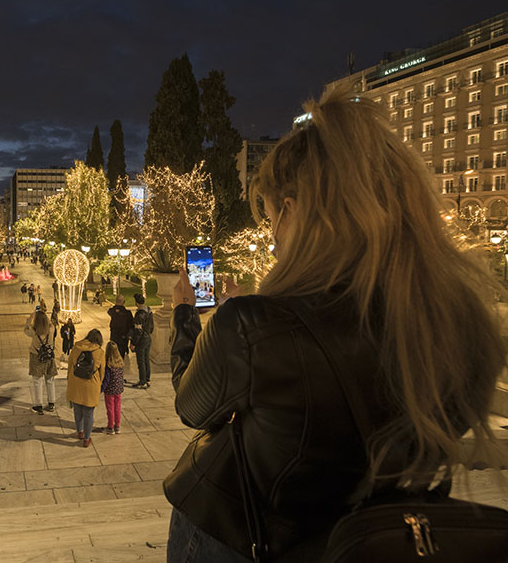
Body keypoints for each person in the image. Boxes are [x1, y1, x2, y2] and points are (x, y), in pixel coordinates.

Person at [165, 88, 508, 561]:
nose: (272, 240)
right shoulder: (459, 325)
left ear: (293, 213)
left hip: (243, 537)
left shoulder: (250, 327)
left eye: (272, 219)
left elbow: (192, 406)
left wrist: (186, 315)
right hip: (370, 541)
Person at [65, 329, 105, 447]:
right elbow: (102, 371)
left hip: (76, 383)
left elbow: (70, 364)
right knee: (88, 413)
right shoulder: (100, 352)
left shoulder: (77, 347)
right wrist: (99, 384)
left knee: (77, 410)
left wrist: (69, 378)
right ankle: (87, 439)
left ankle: (80, 432)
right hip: (91, 385)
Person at [24, 307, 57, 414]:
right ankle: (51, 403)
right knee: (50, 380)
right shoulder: (51, 329)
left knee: (37, 381)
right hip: (49, 357)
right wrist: (45, 316)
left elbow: (25, 328)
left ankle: (38, 405)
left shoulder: (33, 331)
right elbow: (51, 323)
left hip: (36, 357)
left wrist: (31, 317)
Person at [130, 293, 154, 389]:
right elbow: (152, 325)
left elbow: (138, 331)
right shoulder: (149, 310)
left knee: (141, 361)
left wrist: (133, 343)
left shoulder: (139, 314)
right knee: (146, 359)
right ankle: (147, 379)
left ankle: (142, 381)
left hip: (142, 340)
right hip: (148, 337)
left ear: (136, 303)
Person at [102, 341, 125, 434]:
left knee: (110, 409)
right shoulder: (120, 362)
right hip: (118, 389)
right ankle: (117, 426)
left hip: (110, 390)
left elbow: (107, 379)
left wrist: (101, 389)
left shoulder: (108, 365)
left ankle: (110, 427)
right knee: (117, 408)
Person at [107, 295, 133, 360]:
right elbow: (131, 325)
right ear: (123, 302)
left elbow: (110, 310)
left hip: (114, 336)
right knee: (121, 356)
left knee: (113, 355)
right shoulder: (127, 313)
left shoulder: (112, 311)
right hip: (123, 337)